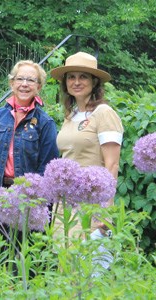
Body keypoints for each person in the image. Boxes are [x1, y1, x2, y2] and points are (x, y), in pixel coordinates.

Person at [50, 51, 123, 276]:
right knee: (65, 272)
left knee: (87, 276)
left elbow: (111, 164)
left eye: (83, 77)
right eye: (71, 77)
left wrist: (105, 211)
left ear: (94, 82)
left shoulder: (104, 114)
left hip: (90, 206)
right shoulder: (70, 115)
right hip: (64, 207)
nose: (76, 82)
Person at [0, 60, 59, 243]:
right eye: (20, 79)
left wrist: (29, 195)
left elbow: (47, 169)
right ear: (11, 83)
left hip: (29, 199)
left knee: (25, 257)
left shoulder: (45, 122)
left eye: (31, 80)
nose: (24, 84)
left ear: (39, 86)